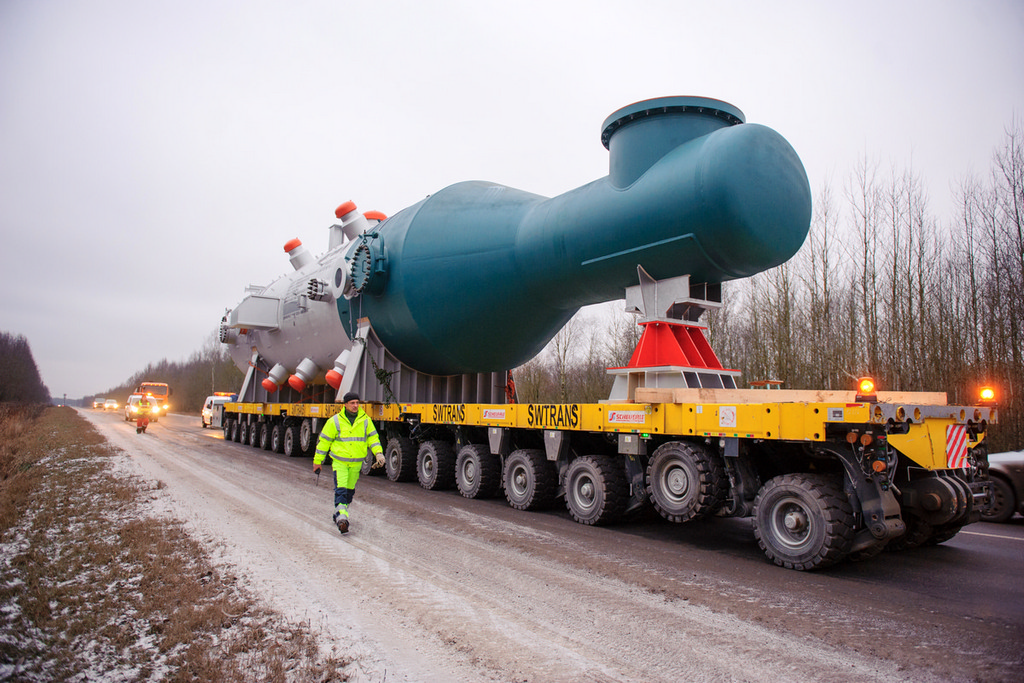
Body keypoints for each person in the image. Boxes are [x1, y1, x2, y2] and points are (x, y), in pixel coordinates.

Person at [313, 392, 384, 534]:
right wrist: (317, 461)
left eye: (357, 403)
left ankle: (338, 514)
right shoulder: (335, 421)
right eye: (352, 403)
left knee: (349, 493)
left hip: (356, 464)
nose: (355, 405)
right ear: (345, 404)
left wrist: (378, 453)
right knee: (341, 490)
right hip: (340, 463)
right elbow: (324, 442)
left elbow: (373, 438)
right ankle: (343, 519)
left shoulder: (365, 420)